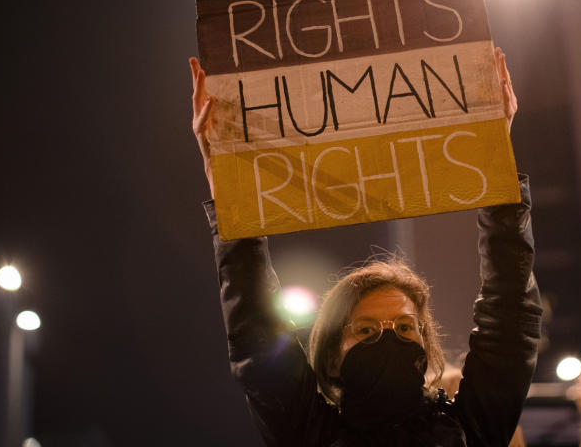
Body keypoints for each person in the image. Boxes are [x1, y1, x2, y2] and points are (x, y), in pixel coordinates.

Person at [189, 48, 542, 446]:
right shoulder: (309, 434)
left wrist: (494, 154)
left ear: (426, 343)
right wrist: (231, 193)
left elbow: (509, 321)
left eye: (405, 328)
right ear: (334, 355)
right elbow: (257, 331)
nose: (389, 339)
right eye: (367, 330)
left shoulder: (470, 430)